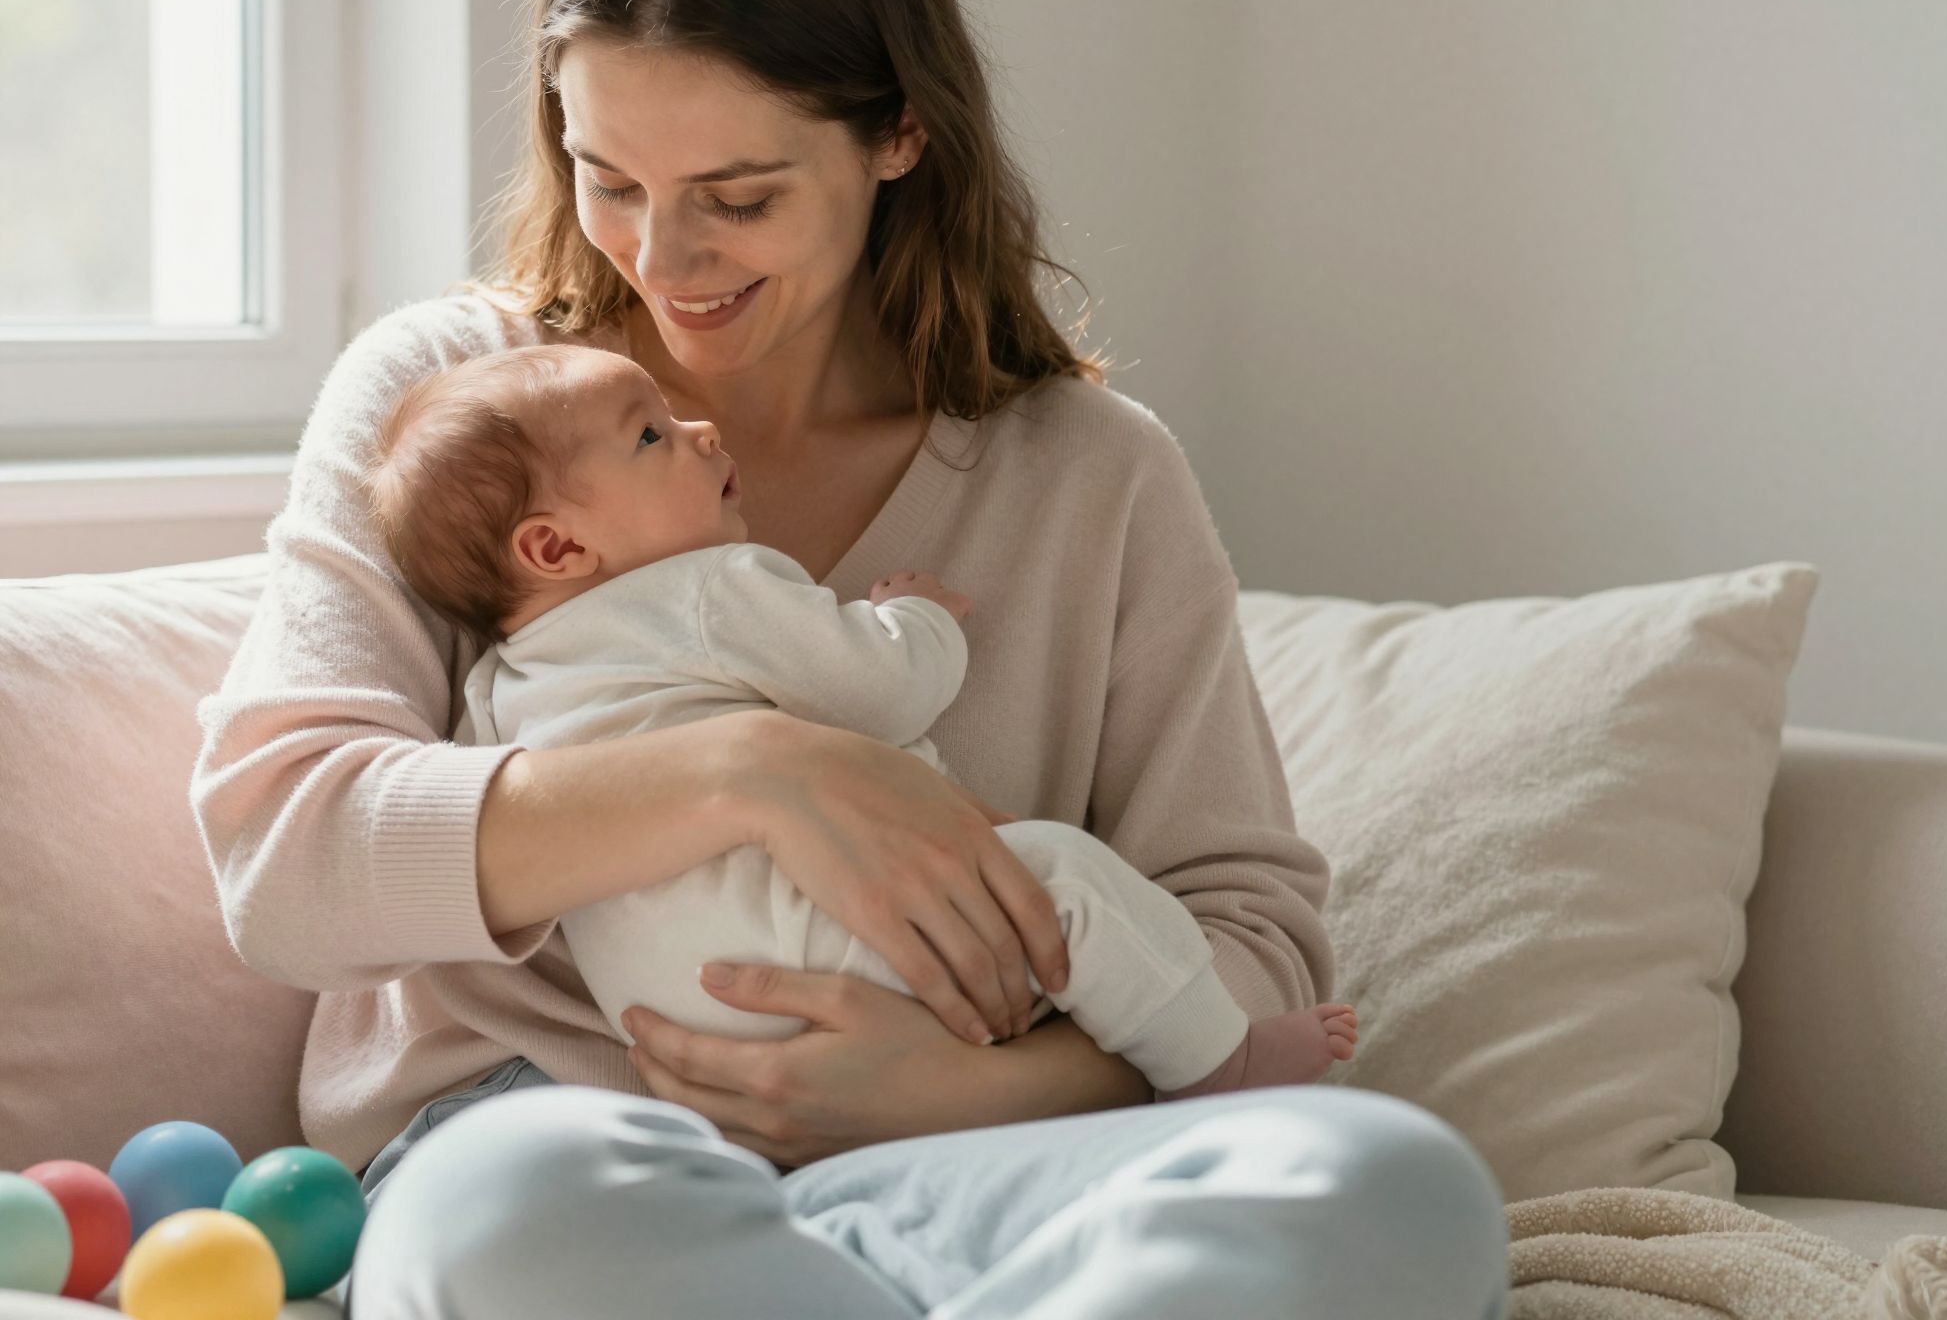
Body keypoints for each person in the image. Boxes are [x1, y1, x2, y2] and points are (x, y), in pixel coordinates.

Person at [190, 0, 1510, 1319]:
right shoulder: (453, 411)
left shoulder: (1089, 474)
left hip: (979, 1165)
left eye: (739, 198)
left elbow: (1254, 930)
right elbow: (286, 857)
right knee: (511, 1213)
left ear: (899, 135)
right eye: (609, 177)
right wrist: (750, 773)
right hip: (563, 1154)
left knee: (1391, 1187)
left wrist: (975, 1093)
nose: (662, 261)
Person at [365, 342, 1360, 1099]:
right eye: (650, 437)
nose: (700, 430)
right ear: (553, 544)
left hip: (675, 1017)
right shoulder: (707, 588)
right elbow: (877, 687)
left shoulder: (498, 691)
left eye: (740, 194)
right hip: (827, 948)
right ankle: (1222, 1064)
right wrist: (916, 613)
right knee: (1060, 878)